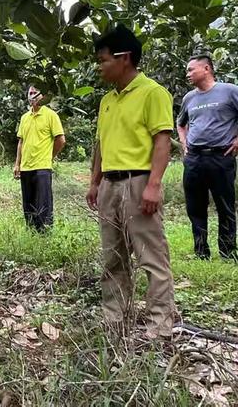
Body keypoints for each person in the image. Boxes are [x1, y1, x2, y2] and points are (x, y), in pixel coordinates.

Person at [86, 24, 175, 340]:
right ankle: (114, 318)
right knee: (113, 255)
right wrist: (95, 182)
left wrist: (154, 184)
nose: (100, 66)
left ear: (124, 58)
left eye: (103, 59)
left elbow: (162, 141)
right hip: (110, 184)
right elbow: (101, 143)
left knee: (150, 256)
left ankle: (160, 325)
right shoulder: (107, 101)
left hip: (137, 182)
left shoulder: (153, 93)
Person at [177, 55, 238, 261]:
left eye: (191, 69)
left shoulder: (229, 91)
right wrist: (184, 145)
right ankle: (201, 252)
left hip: (221, 157)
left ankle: (228, 252)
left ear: (206, 68)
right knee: (195, 207)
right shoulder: (189, 98)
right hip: (194, 159)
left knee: (225, 206)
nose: (188, 74)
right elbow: (180, 124)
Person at [14, 85, 65, 232]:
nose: (32, 95)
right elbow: (21, 142)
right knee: (28, 204)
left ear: (42, 96)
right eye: (30, 93)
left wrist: (49, 157)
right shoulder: (24, 118)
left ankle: (45, 234)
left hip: (42, 167)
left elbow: (60, 140)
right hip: (26, 167)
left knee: (43, 205)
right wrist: (17, 164)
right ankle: (31, 233)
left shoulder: (50, 115)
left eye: (35, 93)